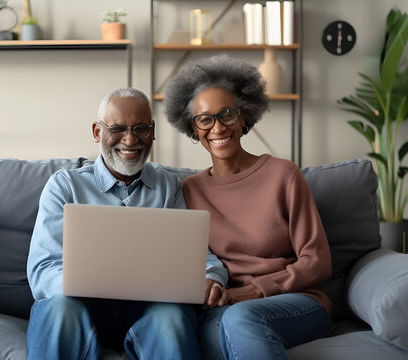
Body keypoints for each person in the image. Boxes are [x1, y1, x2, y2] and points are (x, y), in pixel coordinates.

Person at [26, 87, 227, 360]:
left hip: (147, 311)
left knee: (172, 316)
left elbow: (196, 254)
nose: (130, 139)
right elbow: (42, 269)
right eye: (118, 128)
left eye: (141, 128)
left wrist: (211, 278)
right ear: (98, 132)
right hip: (78, 306)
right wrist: (86, 283)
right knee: (59, 308)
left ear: (153, 131)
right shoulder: (64, 186)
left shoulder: (169, 186)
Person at [163, 54, 332, 360]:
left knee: (240, 320)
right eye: (205, 119)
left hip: (296, 301)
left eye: (227, 114)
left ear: (243, 117)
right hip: (224, 305)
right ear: (194, 128)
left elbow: (317, 260)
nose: (217, 127)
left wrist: (255, 289)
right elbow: (191, 261)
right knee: (209, 334)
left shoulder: (284, 174)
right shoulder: (188, 191)